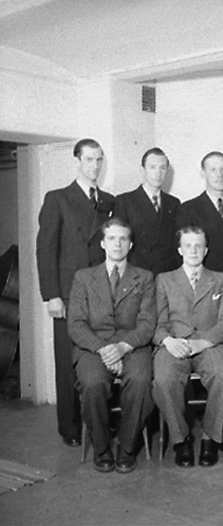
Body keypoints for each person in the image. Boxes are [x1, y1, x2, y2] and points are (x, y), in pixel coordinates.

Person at [36, 138, 115, 447]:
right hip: (69, 294)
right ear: (77, 162)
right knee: (68, 361)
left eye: (99, 160)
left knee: (100, 357)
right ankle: (70, 427)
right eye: (89, 160)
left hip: (102, 292)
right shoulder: (58, 198)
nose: (94, 166)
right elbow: (46, 250)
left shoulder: (108, 201)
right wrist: (51, 295)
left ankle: (99, 422)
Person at [67, 218, 156, 474]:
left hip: (132, 346)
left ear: (131, 245)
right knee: (92, 383)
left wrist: (123, 347)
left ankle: (128, 447)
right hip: (94, 347)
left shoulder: (145, 278)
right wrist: (105, 350)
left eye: (123, 239)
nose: (118, 244)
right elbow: (76, 324)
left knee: (141, 380)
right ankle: (101, 447)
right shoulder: (84, 278)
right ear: (103, 244)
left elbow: (147, 324)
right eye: (112, 238)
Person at [152, 226, 223, 468]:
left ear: (206, 250)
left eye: (198, 245)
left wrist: (203, 342)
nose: (193, 250)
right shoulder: (164, 280)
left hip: (209, 343)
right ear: (180, 250)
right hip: (174, 343)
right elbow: (156, 323)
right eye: (188, 245)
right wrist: (168, 342)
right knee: (163, 380)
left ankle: (210, 437)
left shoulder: (220, 280)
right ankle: (181, 439)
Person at [176, 151, 223, 274]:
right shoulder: (188, 209)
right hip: (206, 279)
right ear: (203, 174)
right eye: (213, 170)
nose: (219, 175)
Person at [115, 147, 181, 276]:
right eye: (152, 167)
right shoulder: (125, 201)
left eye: (162, 168)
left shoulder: (174, 203)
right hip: (136, 274)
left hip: (166, 275)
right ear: (142, 170)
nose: (158, 173)